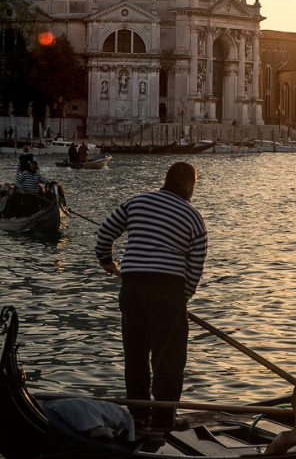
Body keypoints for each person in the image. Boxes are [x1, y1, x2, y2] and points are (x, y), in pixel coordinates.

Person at [94, 162, 208, 434]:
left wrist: (108, 261)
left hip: (132, 287)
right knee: (168, 359)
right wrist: (183, 299)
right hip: (168, 292)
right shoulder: (193, 217)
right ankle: (163, 421)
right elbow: (196, 265)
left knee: (135, 355)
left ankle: (138, 415)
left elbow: (105, 233)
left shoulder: (136, 202)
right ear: (190, 185)